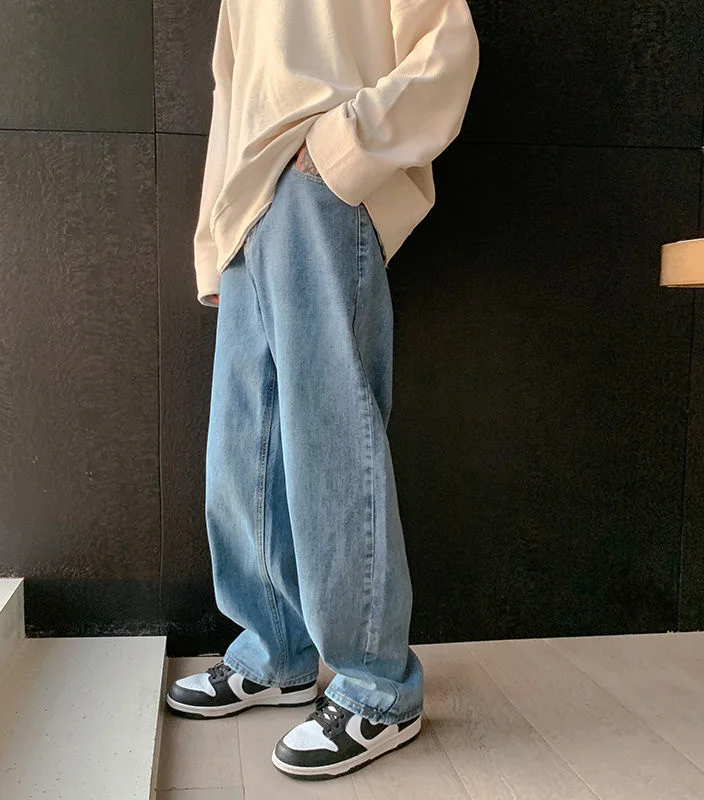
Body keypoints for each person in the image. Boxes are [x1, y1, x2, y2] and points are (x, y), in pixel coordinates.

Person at [168, 0, 480, 780]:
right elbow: (232, 94)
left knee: (329, 438)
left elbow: (447, 49)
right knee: (242, 448)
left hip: (321, 179)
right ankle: (275, 650)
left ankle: (377, 688)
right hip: (245, 206)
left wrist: (339, 150)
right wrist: (213, 242)